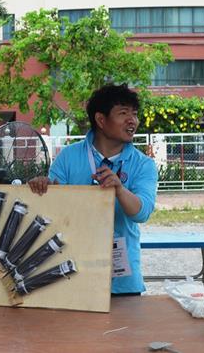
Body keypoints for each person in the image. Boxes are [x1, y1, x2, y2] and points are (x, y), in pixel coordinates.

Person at [28, 84, 158, 295]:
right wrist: (42, 190)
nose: (132, 120)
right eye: (123, 113)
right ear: (100, 119)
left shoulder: (144, 164)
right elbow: (51, 214)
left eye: (134, 114)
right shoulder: (68, 157)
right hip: (72, 273)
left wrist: (119, 189)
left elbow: (142, 213)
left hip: (123, 281)